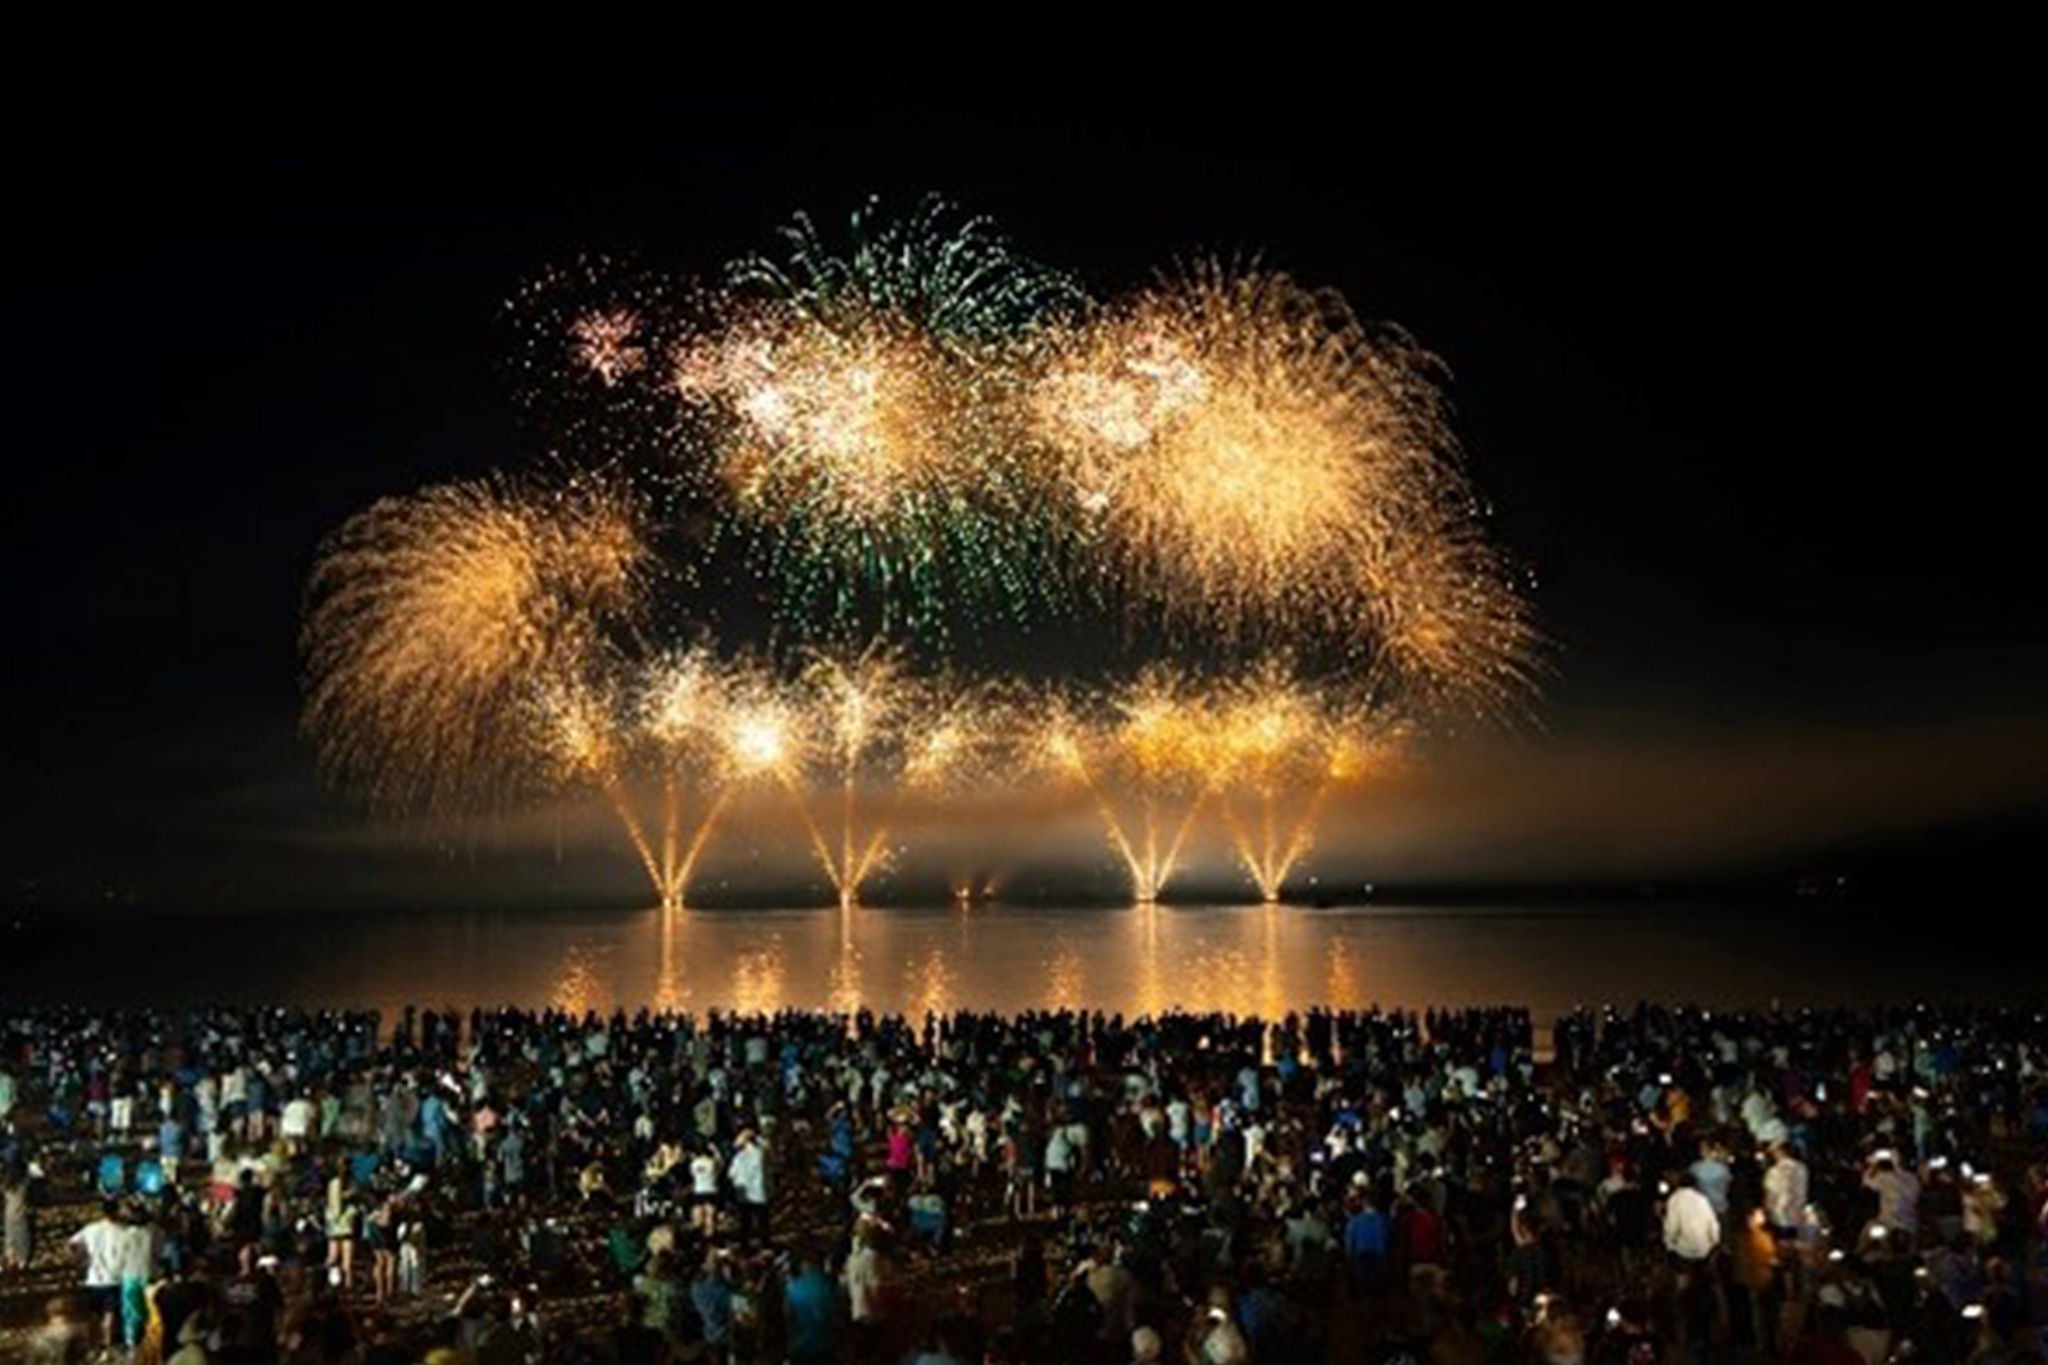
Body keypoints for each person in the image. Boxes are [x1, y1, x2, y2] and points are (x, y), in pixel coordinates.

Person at [68, 1200, 125, 1351]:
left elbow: (72, 1243)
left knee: (94, 1312)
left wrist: (79, 1260)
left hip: (92, 1278)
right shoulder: (122, 1231)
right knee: (109, 1312)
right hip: (114, 1277)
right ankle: (107, 1343)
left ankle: (93, 1342)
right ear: (117, 1212)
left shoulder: (90, 1229)